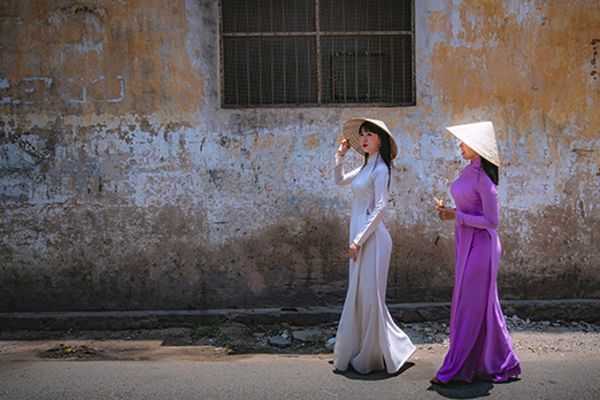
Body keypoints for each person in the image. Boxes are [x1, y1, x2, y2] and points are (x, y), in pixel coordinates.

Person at [432, 121, 521, 384]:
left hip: (482, 247)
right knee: (484, 306)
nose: (460, 145)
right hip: (466, 240)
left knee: (470, 307)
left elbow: (492, 222)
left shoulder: (485, 180)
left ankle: (458, 368)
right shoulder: (468, 171)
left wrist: (456, 216)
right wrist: (452, 214)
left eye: (464, 142)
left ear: (478, 147)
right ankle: (503, 360)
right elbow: (467, 209)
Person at [333, 117, 415, 375]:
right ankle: (361, 349)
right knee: (358, 296)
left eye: (369, 134)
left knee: (371, 299)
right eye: (362, 135)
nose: (364, 139)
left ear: (381, 139)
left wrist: (358, 240)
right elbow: (339, 180)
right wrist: (340, 155)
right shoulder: (366, 167)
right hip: (358, 233)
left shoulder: (381, 169)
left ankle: (384, 353)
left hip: (374, 239)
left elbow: (380, 208)